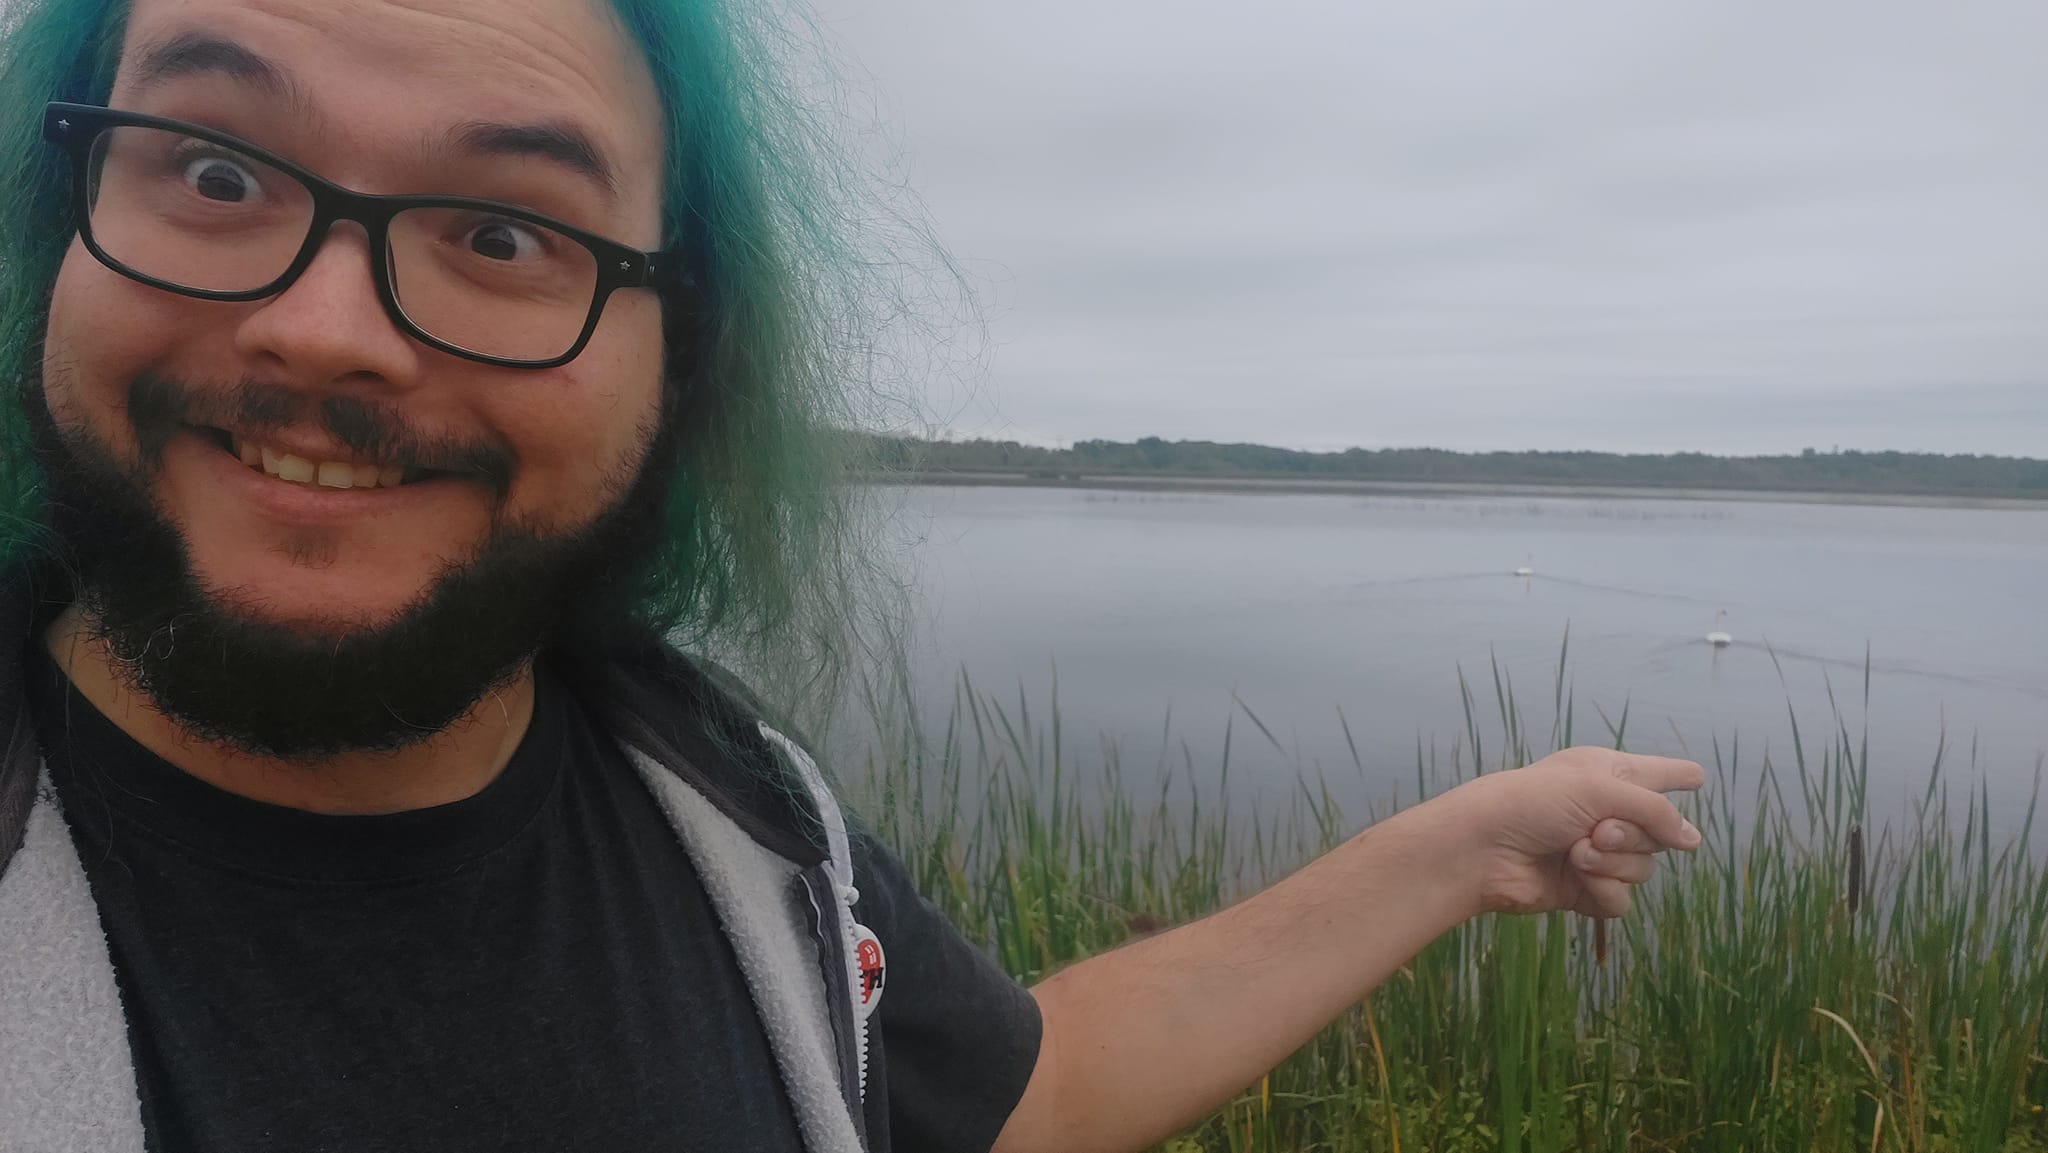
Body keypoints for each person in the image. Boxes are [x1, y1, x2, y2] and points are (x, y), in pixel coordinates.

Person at [0, 0, 1705, 1149]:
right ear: (55, 211)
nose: (325, 327)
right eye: (213, 170)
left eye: (502, 234)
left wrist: (1462, 845)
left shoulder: (732, 819)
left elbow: (1016, 1096)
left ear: (686, 356)